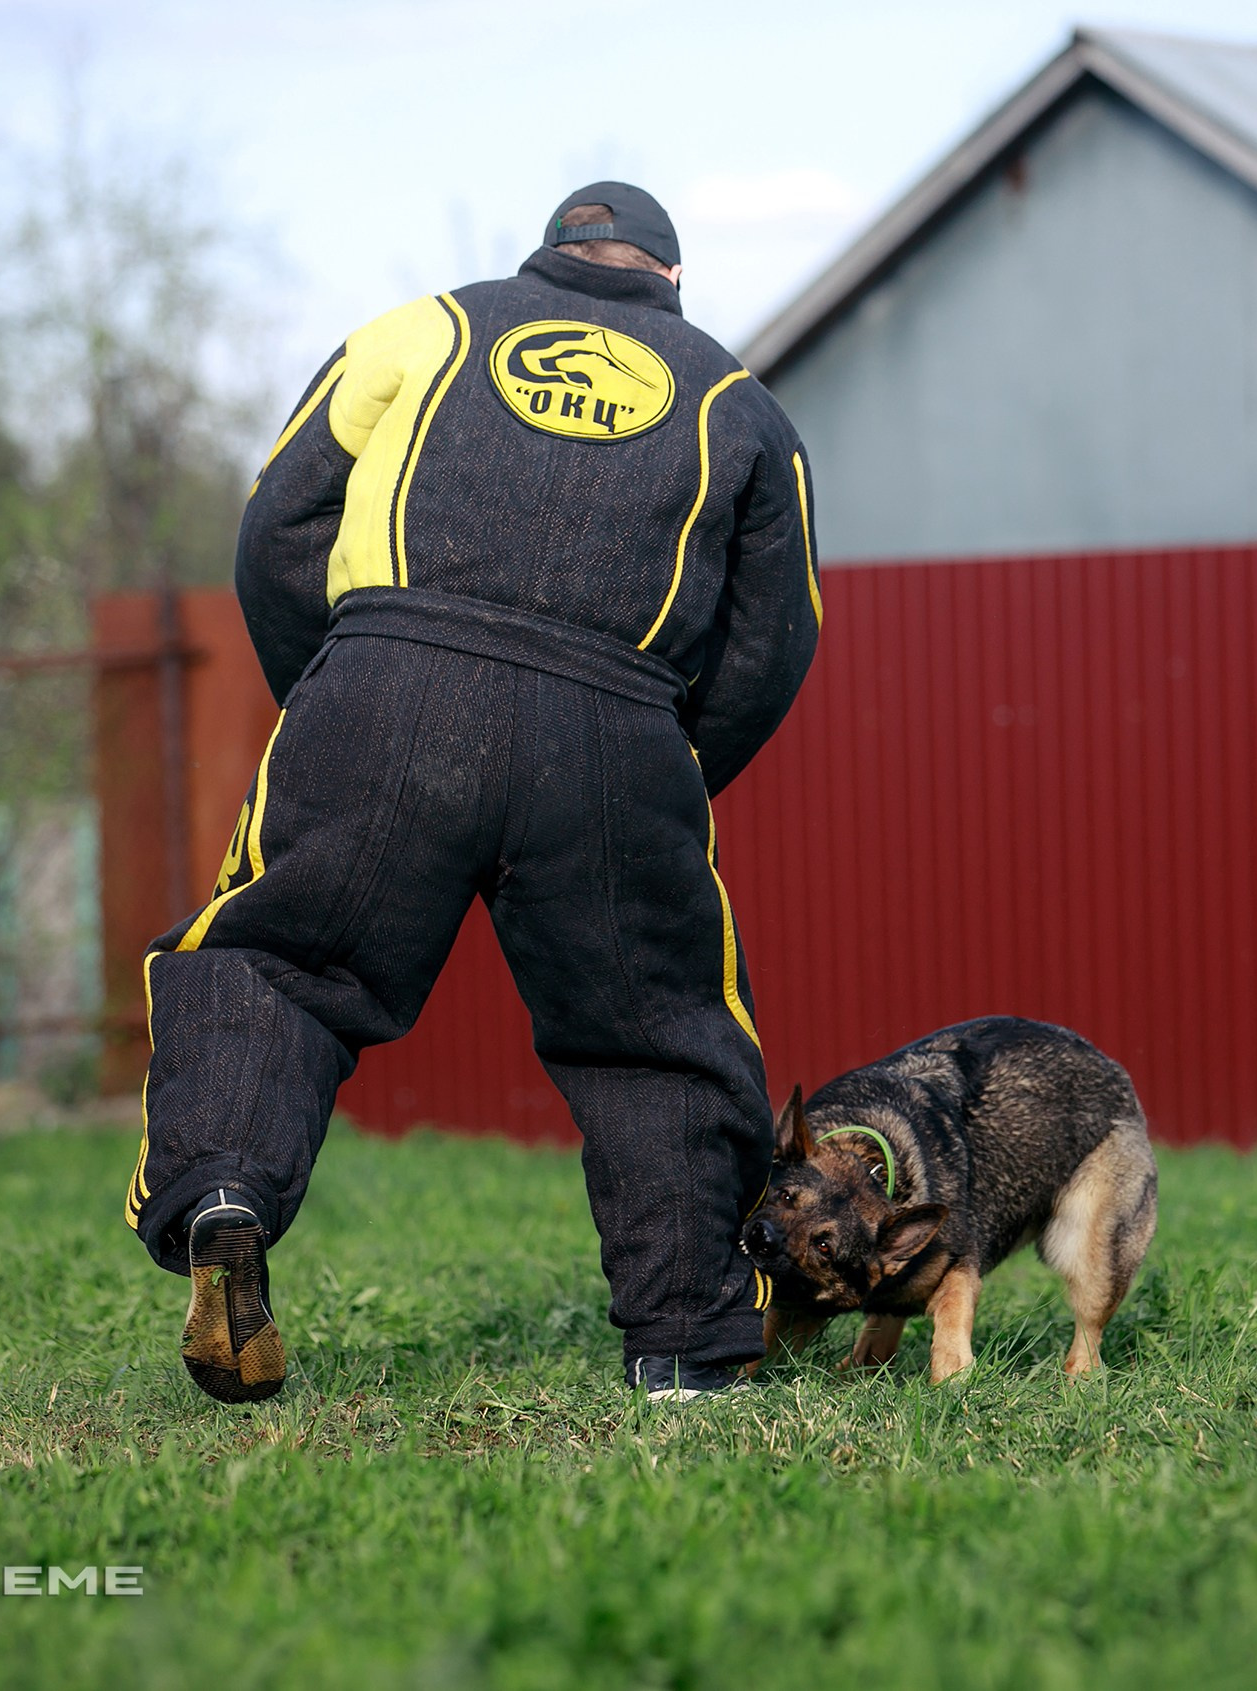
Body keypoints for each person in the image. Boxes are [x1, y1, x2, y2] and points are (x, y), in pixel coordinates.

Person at [123, 181, 820, 1405]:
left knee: (276, 960)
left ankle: (224, 1190)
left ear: (547, 257)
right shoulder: (738, 403)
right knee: (656, 1033)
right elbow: (774, 639)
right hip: (616, 726)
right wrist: (666, 765)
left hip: (384, 678)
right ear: (669, 279)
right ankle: (687, 1351)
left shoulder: (424, 329)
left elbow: (280, 525)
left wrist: (334, 693)